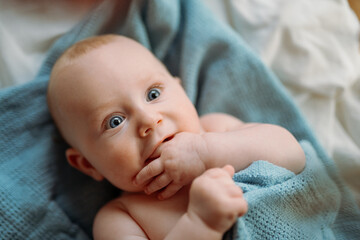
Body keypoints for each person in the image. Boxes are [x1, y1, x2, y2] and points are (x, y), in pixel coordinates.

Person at [47, 34, 306, 239]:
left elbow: (294, 155)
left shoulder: (217, 129)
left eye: (153, 95)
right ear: (88, 164)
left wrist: (206, 152)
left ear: (180, 89)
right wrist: (201, 224)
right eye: (115, 121)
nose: (149, 120)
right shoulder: (121, 218)